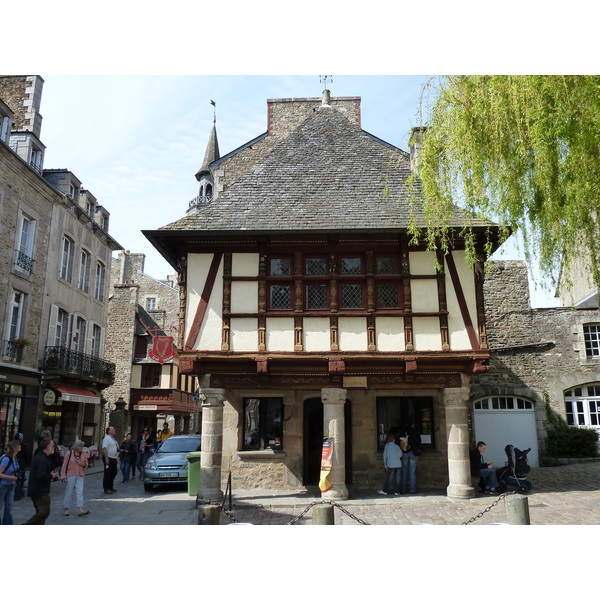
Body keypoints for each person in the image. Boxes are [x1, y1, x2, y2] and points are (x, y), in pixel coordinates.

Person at [22, 438, 59, 525]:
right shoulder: (42, 459)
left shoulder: (41, 457)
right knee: (44, 512)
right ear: (47, 447)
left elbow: (40, 473)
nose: (54, 448)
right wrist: (51, 475)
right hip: (39, 491)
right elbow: (40, 476)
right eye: (52, 446)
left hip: (37, 489)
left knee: (41, 513)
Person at [60, 439, 89, 516]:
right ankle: (66, 509)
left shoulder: (83, 454)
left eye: (82, 446)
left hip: (80, 474)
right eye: (80, 446)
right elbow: (64, 466)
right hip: (71, 474)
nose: (82, 448)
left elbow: (86, 464)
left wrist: (82, 463)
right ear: (76, 446)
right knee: (68, 491)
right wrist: (63, 476)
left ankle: (80, 508)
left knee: (80, 492)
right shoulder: (69, 454)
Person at [0, 439, 22, 525]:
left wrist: (12, 480)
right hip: (2, 485)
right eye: (19, 445)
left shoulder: (15, 458)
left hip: (10, 485)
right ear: (15, 448)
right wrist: (11, 478)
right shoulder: (6, 459)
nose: (20, 446)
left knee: (9, 507)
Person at [400, 422, 421, 494]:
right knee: (412, 472)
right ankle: (413, 490)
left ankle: (402, 490)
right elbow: (419, 442)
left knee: (404, 472)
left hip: (405, 452)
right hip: (413, 452)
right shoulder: (415, 432)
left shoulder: (403, 431)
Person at [102, 426, 119, 494]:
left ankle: (111, 486)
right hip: (109, 458)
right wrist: (106, 458)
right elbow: (104, 448)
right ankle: (106, 488)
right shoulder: (107, 438)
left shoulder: (113, 439)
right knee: (107, 473)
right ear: (109, 431)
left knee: (113, 472)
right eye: (113, 429)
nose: (115, 430)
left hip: (114, 458)